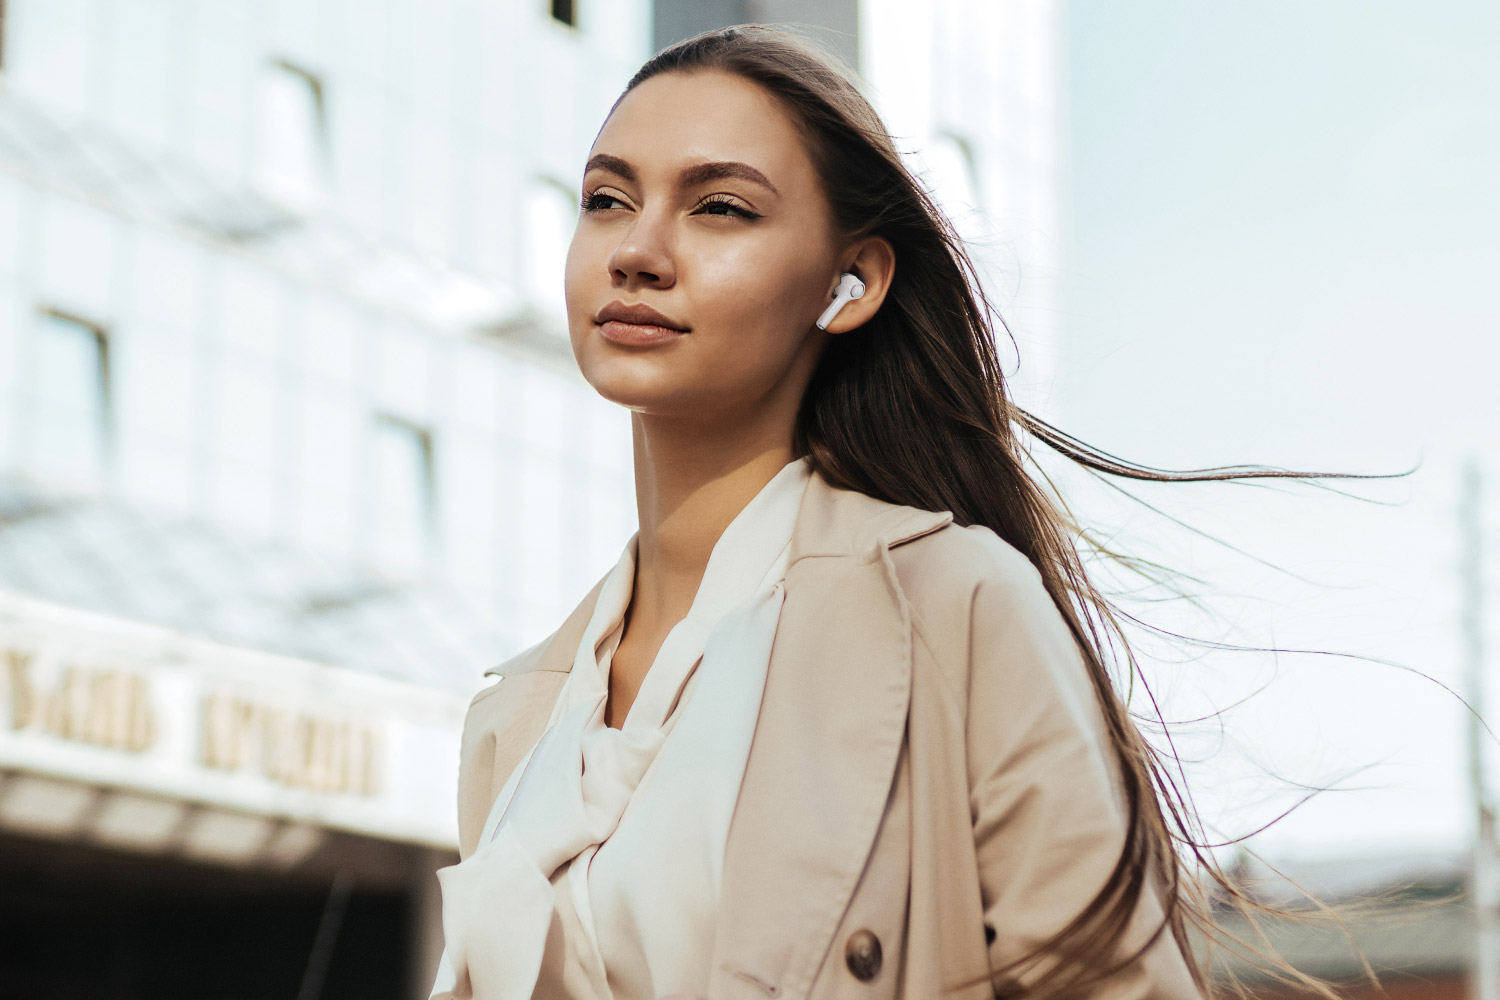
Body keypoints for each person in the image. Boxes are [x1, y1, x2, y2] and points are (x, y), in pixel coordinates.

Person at [431, 25, 1242, 1000]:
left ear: (849, 282)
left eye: (720, 208)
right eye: (608, 199)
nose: (638, 251)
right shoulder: (514, 719)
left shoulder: (953, 607)